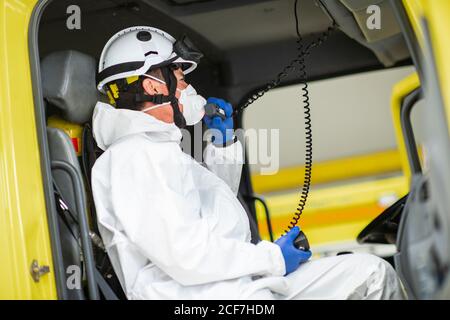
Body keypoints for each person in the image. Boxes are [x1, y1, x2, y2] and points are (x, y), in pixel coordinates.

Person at [91, 26, 406, 300]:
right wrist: (272, 259)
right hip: (209, 296)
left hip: (232, 287)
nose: (187, 86)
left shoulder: (157, 148)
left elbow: (212, 210)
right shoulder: (135, 157)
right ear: (153, 86)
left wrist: (224, 146)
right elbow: (186, 255)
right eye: (179, 76)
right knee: (371, 276)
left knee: (370, 274)